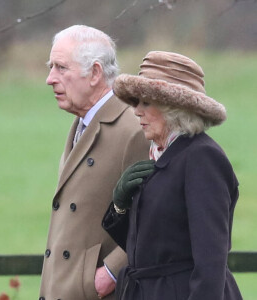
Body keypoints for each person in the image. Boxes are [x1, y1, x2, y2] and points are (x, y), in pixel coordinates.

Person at [102, 51, 243, 300]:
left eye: (146, 103)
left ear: (174, 108)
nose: (136, 112)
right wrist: (120, 207)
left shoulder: (201, 158)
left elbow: (210, 261)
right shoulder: (161, 155)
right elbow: (147, 251)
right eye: (136, 102)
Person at [39, 25, 150, 300]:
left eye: (61, 68)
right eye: (51, 66)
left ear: (95, 73)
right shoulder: (81, 122)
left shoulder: (134, 129)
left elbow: (155, 218)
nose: (50, 79)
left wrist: (110, 273)